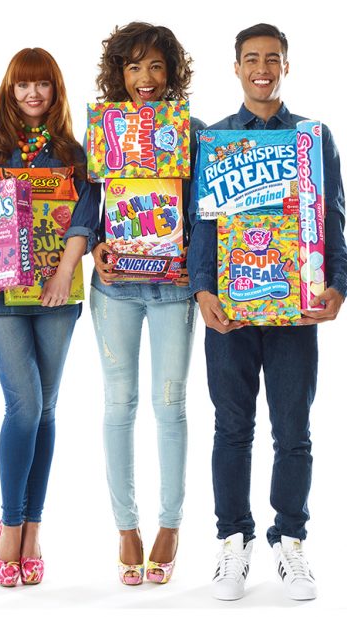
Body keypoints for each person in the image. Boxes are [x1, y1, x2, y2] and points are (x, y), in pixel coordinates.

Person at [188, 23, 347, 601]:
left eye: (272, 58)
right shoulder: (216, 139)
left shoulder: (313, 138)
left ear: (286, 65)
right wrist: (201, 290)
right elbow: (202, 222)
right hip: (230, 313)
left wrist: (338, 285)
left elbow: (333, 218)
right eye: (252, 58)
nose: (262, 68)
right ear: (236, 67)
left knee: (293, 432)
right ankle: (234, 541)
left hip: (293, 314)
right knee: (232, 429)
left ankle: (291, 540)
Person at [0, 48, 100, 587]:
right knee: (25, 405)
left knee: (46, 409)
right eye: (22, 84)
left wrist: (64, 273)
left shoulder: (73, 153)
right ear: (9, 89)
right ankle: (10, 527)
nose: (33, 94)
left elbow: (85, 218)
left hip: (57, 293)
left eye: (43, 84)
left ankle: (33, 530)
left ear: (56, 90)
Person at [90, 22, 205, 585]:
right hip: (115, 285)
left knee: (170, 406)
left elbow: (208, 210)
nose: (145, 77)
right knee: (119, 404)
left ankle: (170, 524)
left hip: (173, 287)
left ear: (172, 72)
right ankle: (125, 527)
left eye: (156, 65)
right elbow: (87, 202)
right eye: (133, 66)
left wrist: (195, 262)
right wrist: (96, 245)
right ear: (119, 73)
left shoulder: (192, 131)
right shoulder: (105, 128)